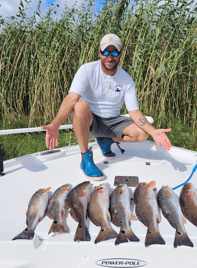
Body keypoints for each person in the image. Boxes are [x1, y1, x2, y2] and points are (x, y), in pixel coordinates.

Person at [41, 33, 172, 180]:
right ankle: (86, 158)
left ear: (121, 53)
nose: (110, 57)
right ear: (100, 51)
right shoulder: (87, 70)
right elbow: (71, 98)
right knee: (80, 105)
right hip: (90, 120)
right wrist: (55, 124)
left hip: (113, 121)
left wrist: (154, 132)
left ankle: (106, 140)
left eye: (114, 52)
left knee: (142, 134)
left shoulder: (126, 80)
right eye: (105, 52)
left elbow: (134, 112)